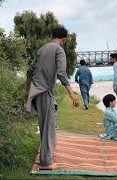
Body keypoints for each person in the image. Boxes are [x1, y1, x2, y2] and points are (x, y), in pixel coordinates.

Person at [24, 26, 80, 169]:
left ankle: (44, 156)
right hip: (44, 91)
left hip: (36, 91)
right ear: (64, 39)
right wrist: (71, 93)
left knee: (44, 125)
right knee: (48, 125)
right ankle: (46, 162)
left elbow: (30, 70)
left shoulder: (42, 49)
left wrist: (27, 92)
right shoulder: (59, 50)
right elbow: (61, 73)